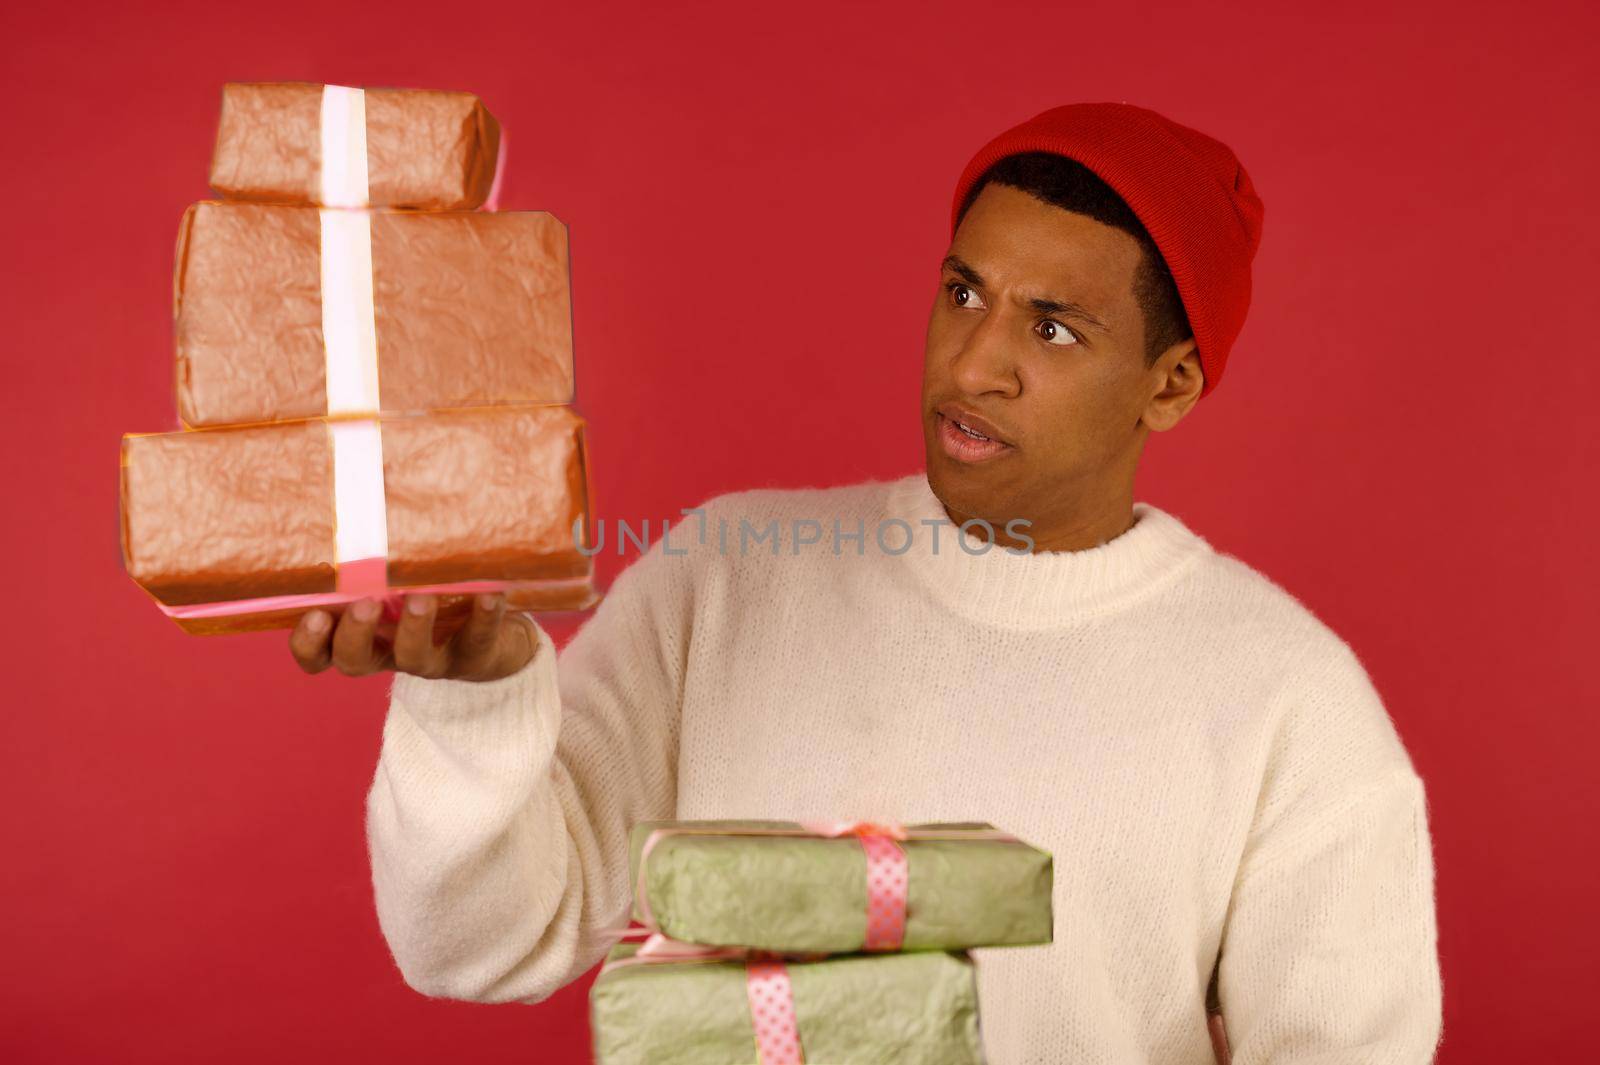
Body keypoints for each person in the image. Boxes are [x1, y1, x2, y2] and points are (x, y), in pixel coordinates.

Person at [290, 103, 1444, 1064]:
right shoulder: (728, 574)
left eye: (1051, 328)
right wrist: (474, 700)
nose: (974, 360)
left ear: (1171, 384)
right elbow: (479, 944)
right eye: (961, 292)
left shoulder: (1287, 696)